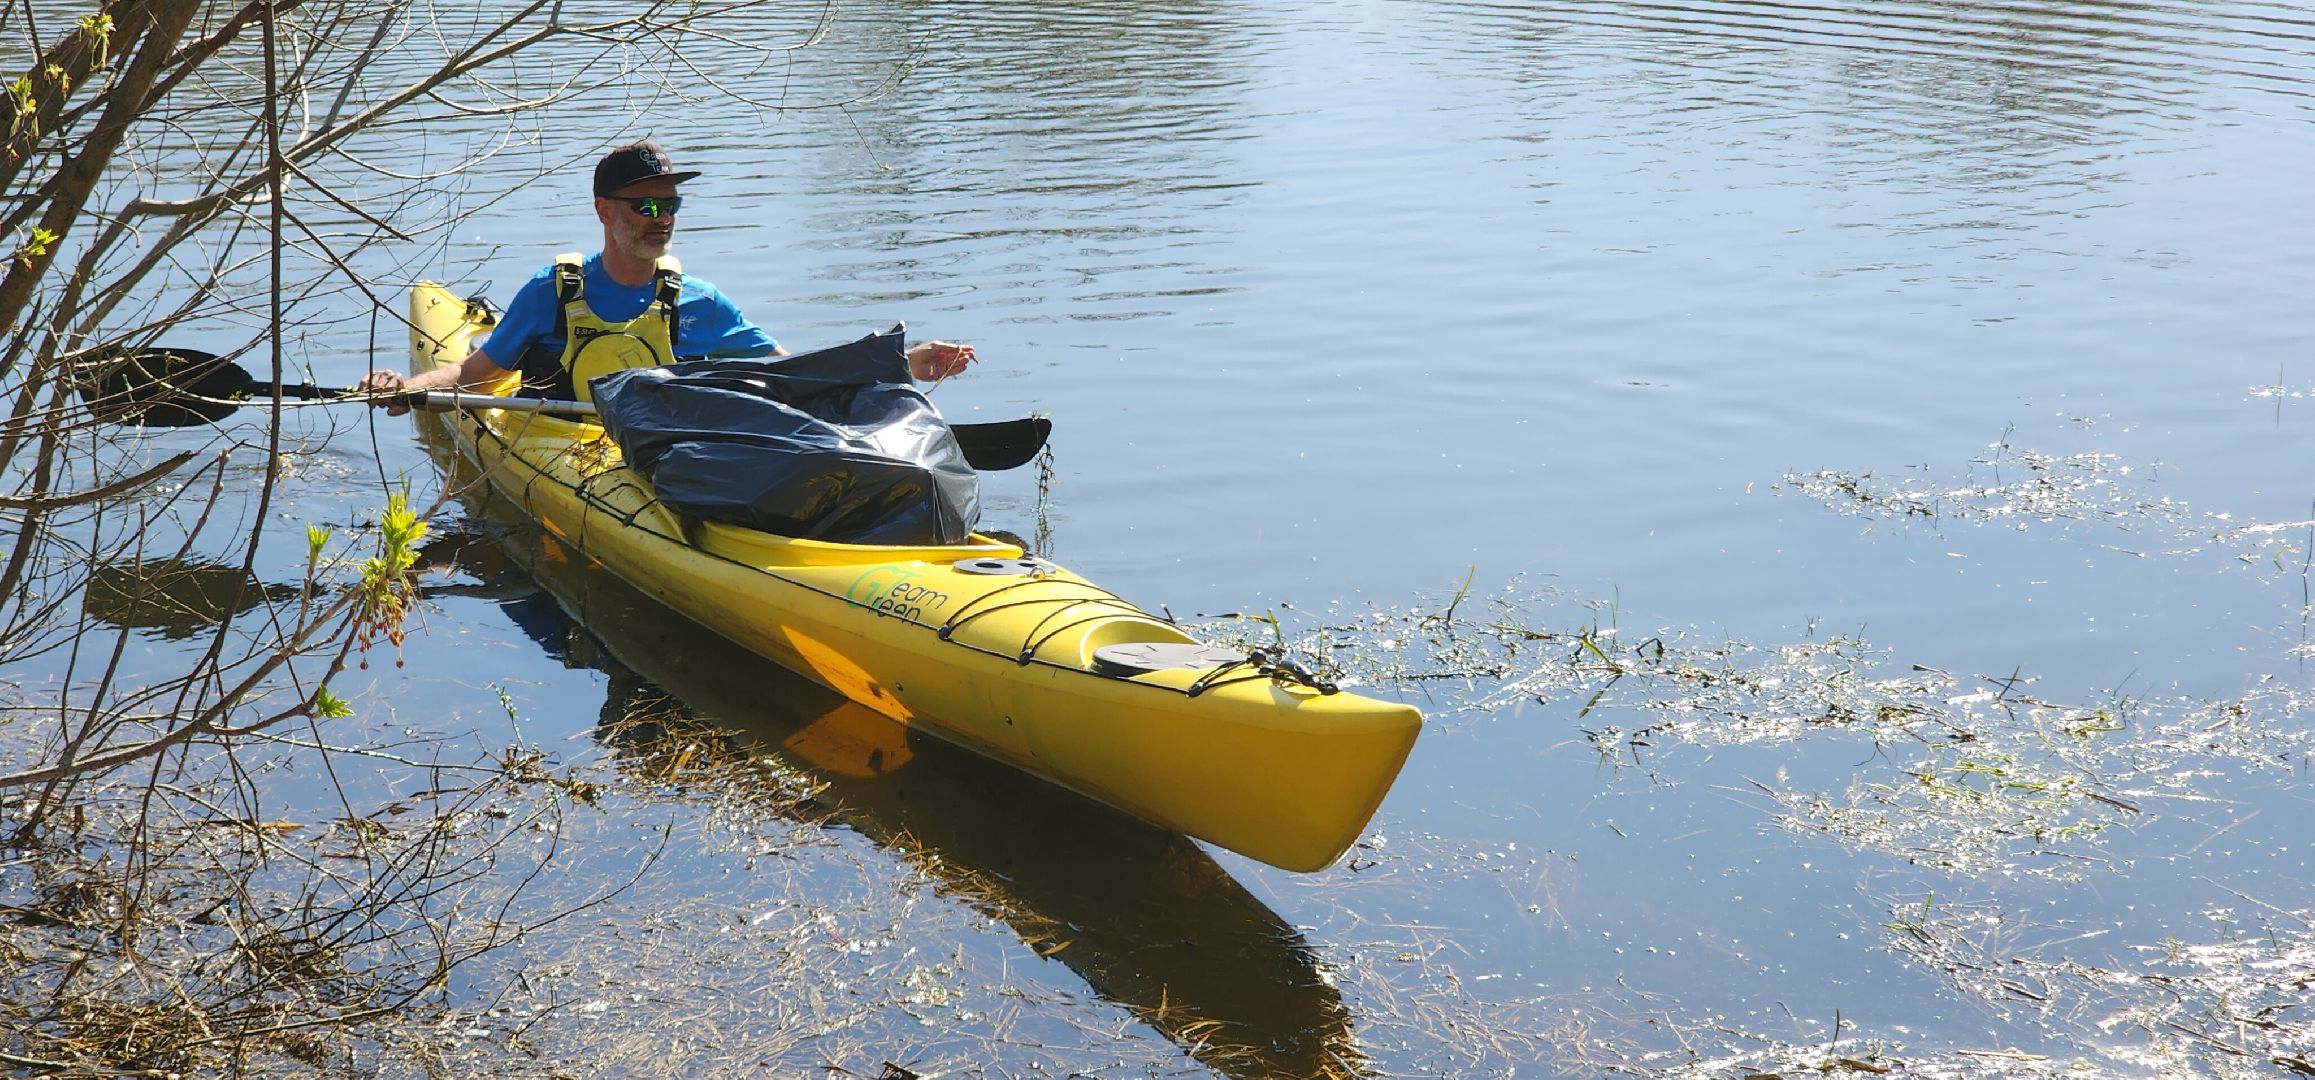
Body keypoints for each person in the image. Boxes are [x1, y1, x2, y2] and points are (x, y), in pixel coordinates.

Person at [361, 141, 973, 414]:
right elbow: (473, 375)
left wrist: (901, 363)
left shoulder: (699, 302)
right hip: (559, 448)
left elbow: (795, 376)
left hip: (656, 457)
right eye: (646, 206)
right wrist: (407, 387)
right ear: (605, 212)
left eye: (671, 206)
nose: (662, 220)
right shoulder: (553, 290)